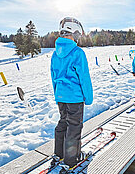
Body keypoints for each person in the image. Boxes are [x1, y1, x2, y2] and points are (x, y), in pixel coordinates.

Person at [50, 17, 93, 168]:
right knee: (74, 127)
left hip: (61, 96)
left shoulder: (55, 53)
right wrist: (88, 97)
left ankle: (58, 153)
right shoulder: (77, 53)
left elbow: (54, 76)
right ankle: (71, 159)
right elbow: (84, 78)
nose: (78, 39)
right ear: (73, 34)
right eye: (77, 36)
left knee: (63, 122)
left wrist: (57, 95)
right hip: (74, 97)